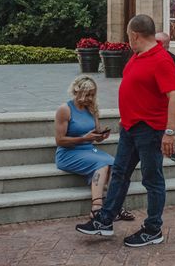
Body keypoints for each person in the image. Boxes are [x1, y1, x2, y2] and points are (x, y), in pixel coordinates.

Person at [75, 14, 175, 248]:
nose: (128, 39)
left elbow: (174, 95)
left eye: (128, 35)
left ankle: (153, 229)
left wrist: (170, 132)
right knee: (120, 172)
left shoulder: (161, 59)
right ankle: (105, 219)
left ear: (134, 35)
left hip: (151, 130)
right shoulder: (137, 56)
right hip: (131, 127)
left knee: (152, 180)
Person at [55, 75, 135, 220]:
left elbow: (95, 134)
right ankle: (96, 207)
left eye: (92, 95)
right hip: (68, 153)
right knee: (102, 164)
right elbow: (59, 140)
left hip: (88, 150)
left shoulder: (91, 109)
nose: (90, 98)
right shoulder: (65, 109)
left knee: (115, 164)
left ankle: (115, 206)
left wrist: (101, 136)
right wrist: (84, 138)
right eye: (87, 94)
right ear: (77, 91)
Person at [155, 31, 175, 163]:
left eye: (159, 44)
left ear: (166, 45)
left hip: (165, 95)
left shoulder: (173, 59)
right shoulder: (142, 55)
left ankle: (173, 145)